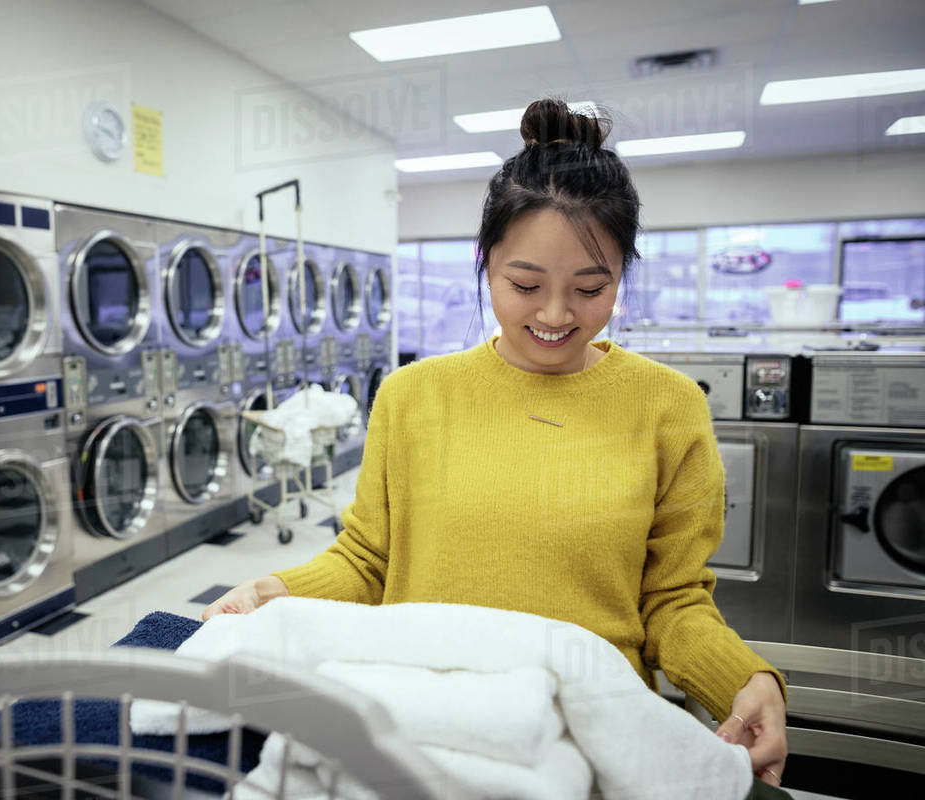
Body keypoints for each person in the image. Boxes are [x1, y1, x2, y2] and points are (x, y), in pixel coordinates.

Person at [204, 98, 789, 792]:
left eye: (590, 288)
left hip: (591, 742)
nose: (554, 314)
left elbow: (672, 600)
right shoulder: (414, 395)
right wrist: (274, 590)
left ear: (621, 277)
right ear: (485, 264)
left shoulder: (667, 407)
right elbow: (367, 562)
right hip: (419, 729)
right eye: (525, 284)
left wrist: (743, 678)